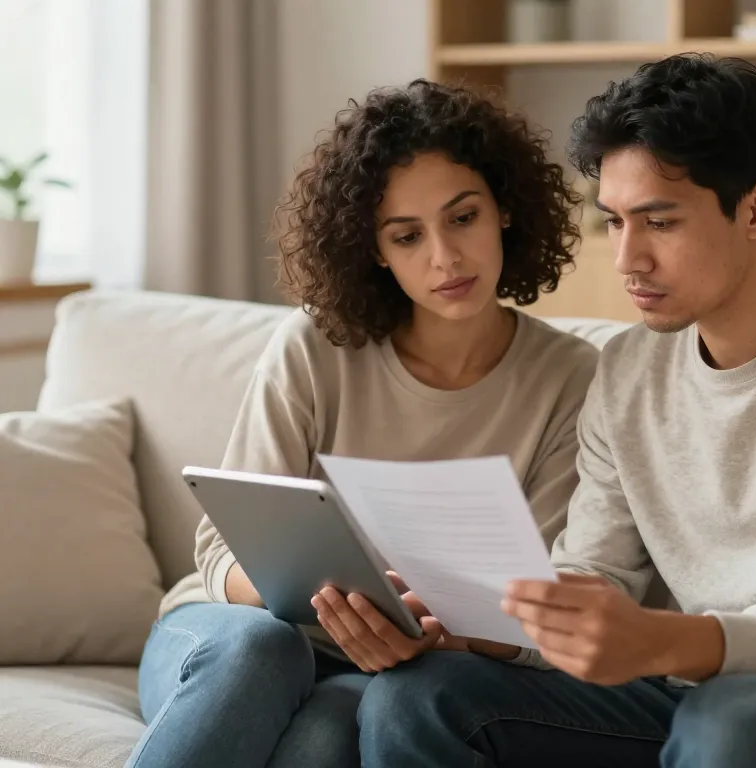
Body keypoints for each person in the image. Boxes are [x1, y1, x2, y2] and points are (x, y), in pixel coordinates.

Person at [355, 54, 756, 768]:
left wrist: (666, 640)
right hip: (693, 693)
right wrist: (473, 627)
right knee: (420, 695)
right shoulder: (627, 371)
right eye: (615, 222)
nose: (627, 259)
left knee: (732, 720)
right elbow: (592, 578)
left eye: (658, 222)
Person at [124, 78, 599, 768]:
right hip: (227, 639)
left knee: (329, 735)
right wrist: (329, 601)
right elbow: (218, 552)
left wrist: (432, 636)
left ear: (504, 209)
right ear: (375, 250)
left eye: (463, 218)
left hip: (389, 671)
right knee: (267, 648)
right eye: (407, 236)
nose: (445, 258)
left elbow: (544, 607)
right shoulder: (314, 348)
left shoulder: (572, 378)